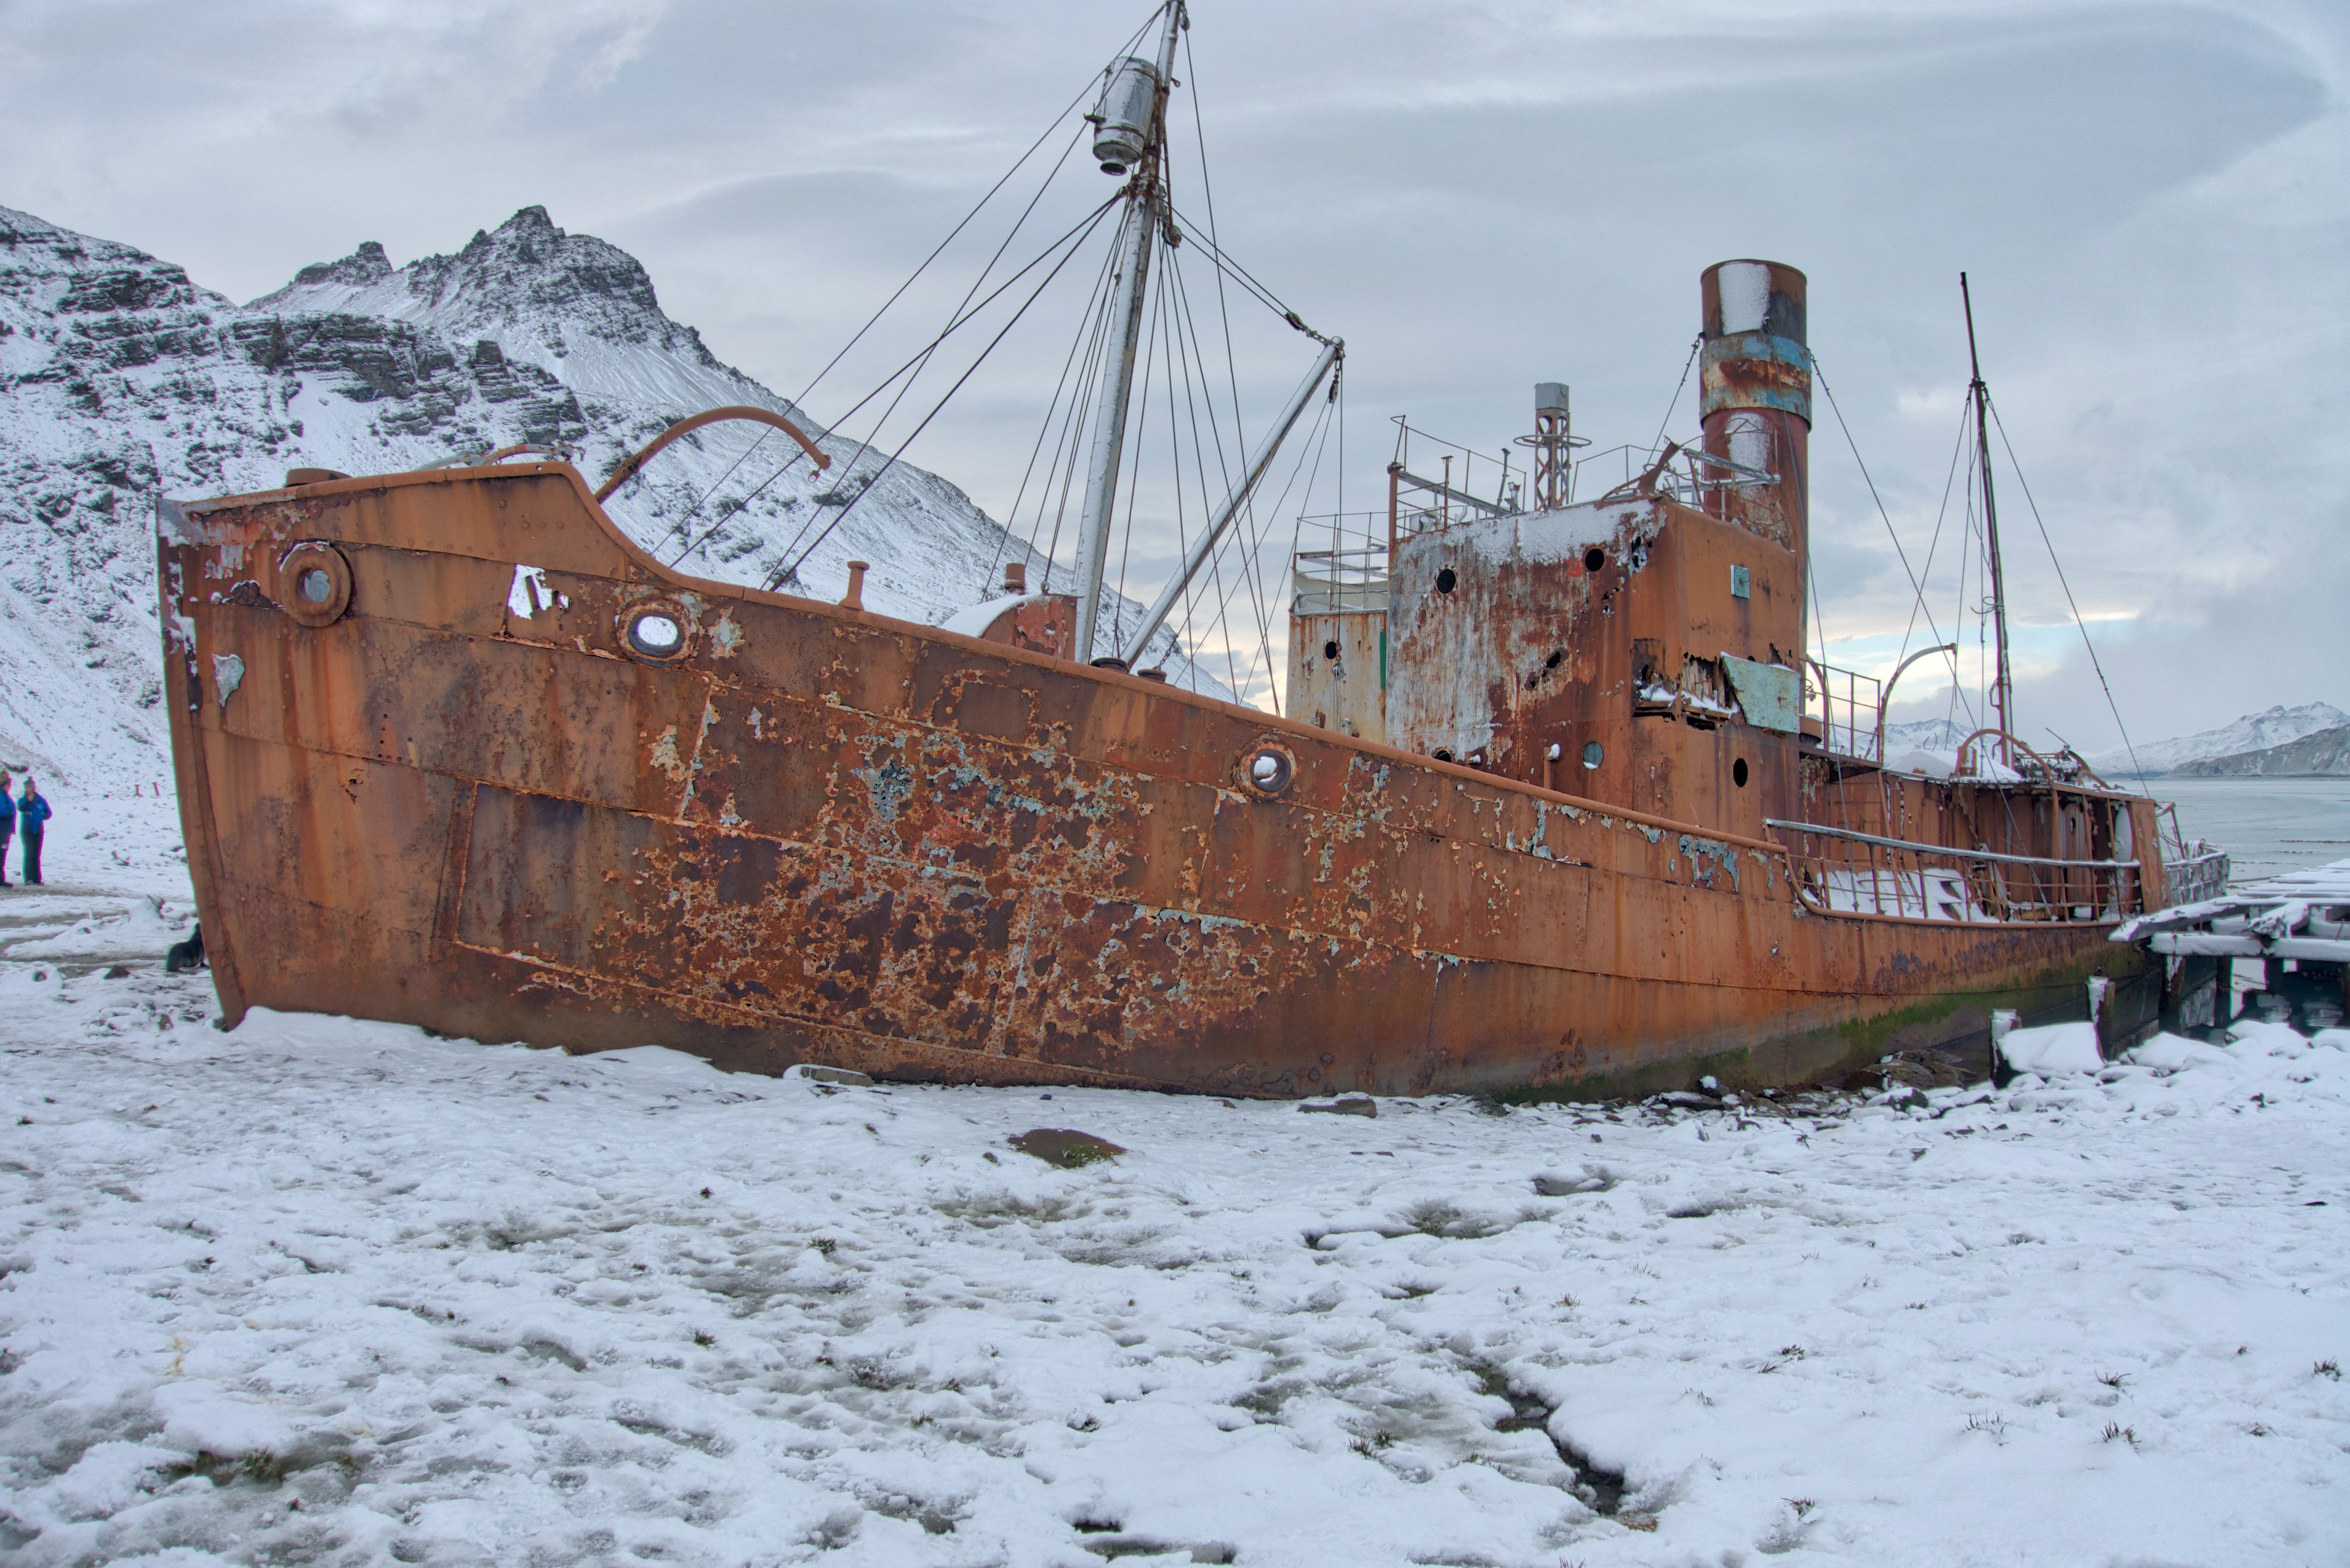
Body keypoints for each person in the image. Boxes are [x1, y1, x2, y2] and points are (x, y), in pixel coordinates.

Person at [17, 777, 50, 886]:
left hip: (39, 830)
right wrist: (28, 801)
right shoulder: (23, 800)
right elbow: (21, 808)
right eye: (27, 787)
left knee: (36, 854)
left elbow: (48, 813)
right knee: (30, 853)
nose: (28, 789)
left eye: (30, 787)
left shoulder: (40, 800)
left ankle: (37, 879)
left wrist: (42, 817)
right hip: (27, 830)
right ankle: (29, 878)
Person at [0, 769, 12, 887]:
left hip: (4, 829)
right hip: (2, 829)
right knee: (1, 854)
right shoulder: (1, 795)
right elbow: (2, 810)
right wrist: (9, 814)